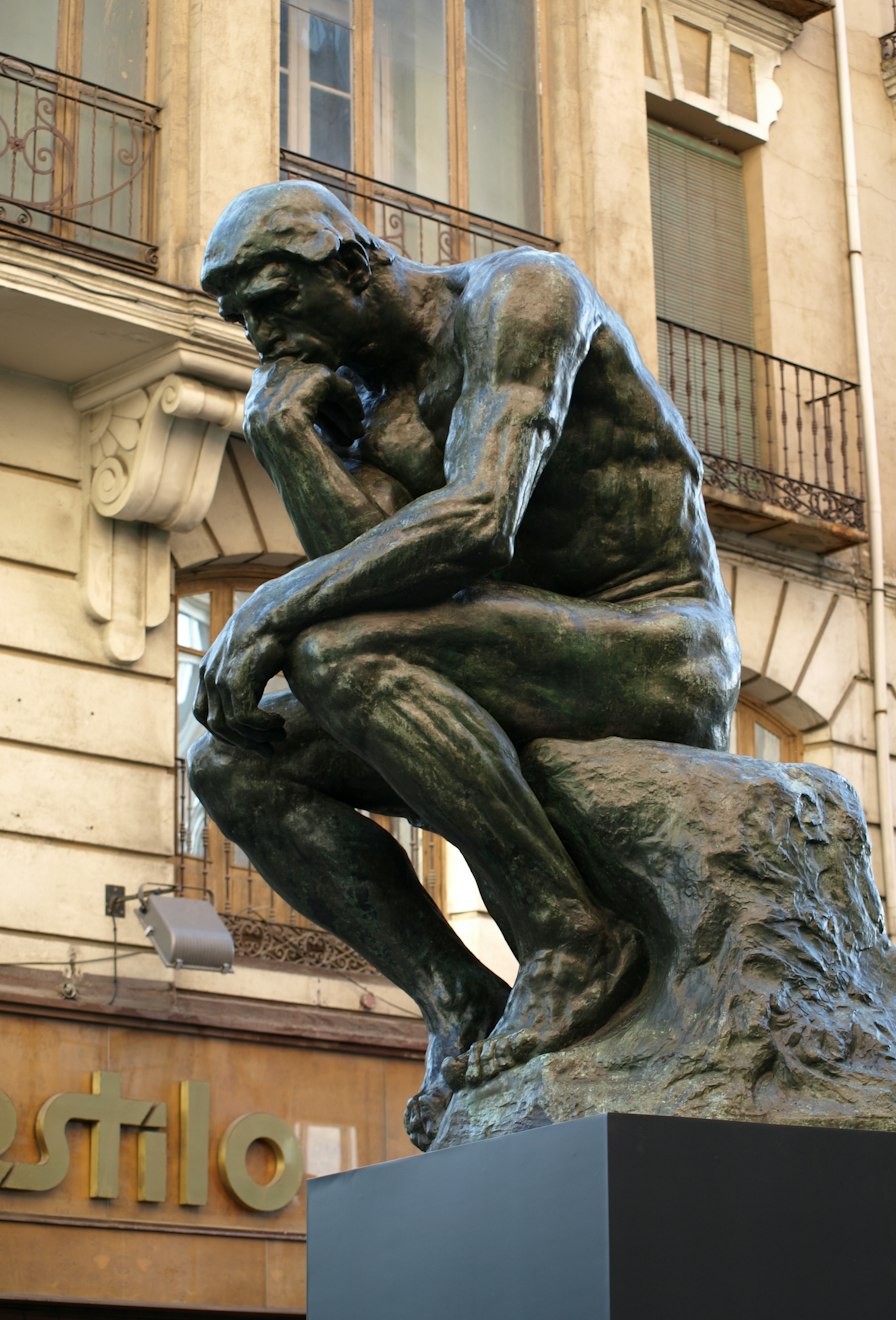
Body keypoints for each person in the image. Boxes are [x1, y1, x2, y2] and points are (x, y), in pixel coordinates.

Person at [190, 181, 741, 1148]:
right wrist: (287, 444)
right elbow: (376, 579)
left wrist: (274, 602)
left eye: (274, 304)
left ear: (354, 263)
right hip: (510, 649)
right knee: (233, 761)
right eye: (242, 320)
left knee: (334, 650)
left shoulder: (522, 297)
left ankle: (572, 936)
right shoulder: (356, 402)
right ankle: (458, 998)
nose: (260, 339)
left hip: (654, 645)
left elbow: (481, 520)